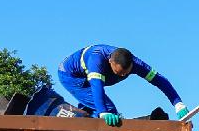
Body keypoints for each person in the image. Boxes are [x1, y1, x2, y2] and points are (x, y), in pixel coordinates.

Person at [58, 43, 190, 126]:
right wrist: (104, 112)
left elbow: (159, 80)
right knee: (109, 110)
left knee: (98, 107)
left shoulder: (137, 64)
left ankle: (86, 115)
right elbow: (96, 87)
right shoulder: (96, 60)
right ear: (110, 62)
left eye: (125, 74)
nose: (121, 76)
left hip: (89, 76)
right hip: (71, 76)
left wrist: (178, 104)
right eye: (118, 72)